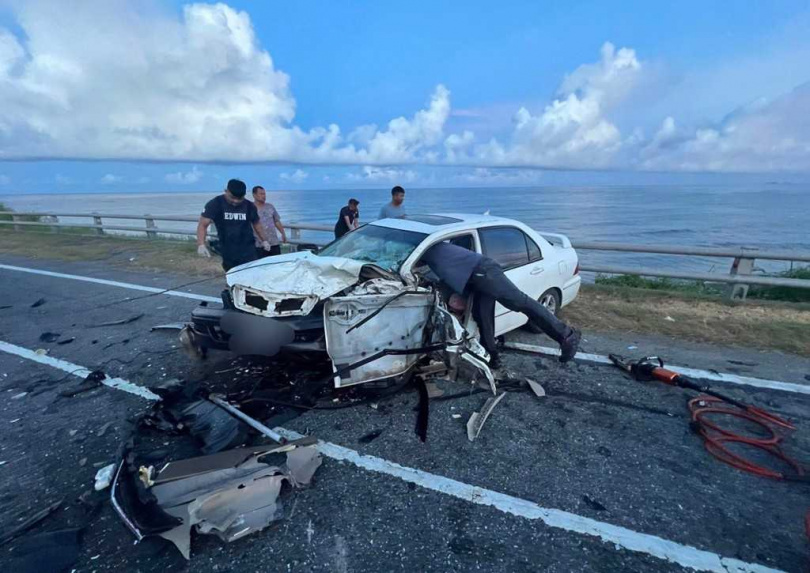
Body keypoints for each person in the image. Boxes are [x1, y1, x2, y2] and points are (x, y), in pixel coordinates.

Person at [419, 241, 581, 368]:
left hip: (484, 271)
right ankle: (492, 356)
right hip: (474, 278)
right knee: (482, 316)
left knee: (520, 303)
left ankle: (567, 335)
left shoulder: (422, 247)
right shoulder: (422, 246)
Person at [196, 179, 272, 271]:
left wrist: (264, 240)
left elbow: (257, 223)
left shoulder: (249, 206)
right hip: (227, 248)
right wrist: (201, 244)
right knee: (232, 275)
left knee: (251, 273)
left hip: (248, 248)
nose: (235, 201)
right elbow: (203, 225)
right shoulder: (215, 204)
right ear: (226, 191)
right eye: (232, 197)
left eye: (239, 198)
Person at [252, 185, 286, 258]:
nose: (264, 196)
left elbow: (276, 221)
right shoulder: (250, 208)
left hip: (274, 242)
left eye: (264, 194)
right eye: (261, 194)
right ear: (254, 195)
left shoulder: (270, 206)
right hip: (259, 244)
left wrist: (283, 233)